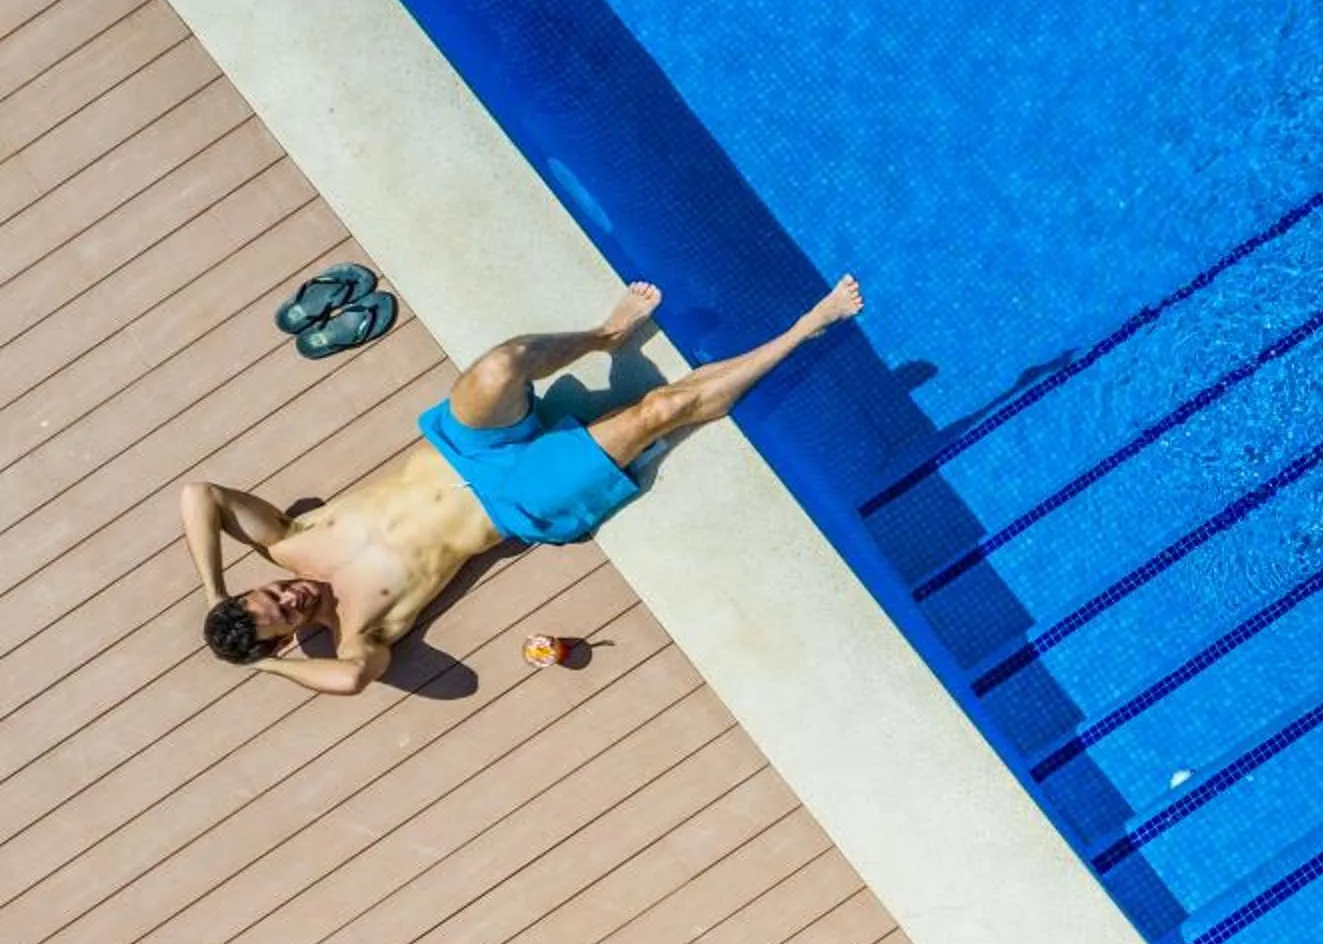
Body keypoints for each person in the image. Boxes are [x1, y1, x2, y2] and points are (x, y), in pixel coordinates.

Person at [181, 274, 862, 693]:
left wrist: (215, 594)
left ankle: (607, 332)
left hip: (464, 446)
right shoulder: (359, 627)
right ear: (287, 638)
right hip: (516, 499)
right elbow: (353, 678)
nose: (294, 593)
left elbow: (199, 496)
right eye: (291, 611)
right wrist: (264, 666)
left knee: (503, 364)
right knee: (661, 413)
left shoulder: (285, 543)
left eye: (272, 592)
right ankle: (807, 326)